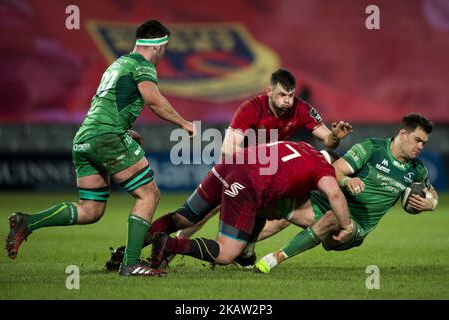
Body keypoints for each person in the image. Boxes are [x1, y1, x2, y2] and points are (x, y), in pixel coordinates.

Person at [104, 68, 353, 269]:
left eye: (290, 96)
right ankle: (169, 248)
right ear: (268, 92)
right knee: (203, 214)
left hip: (271, 175)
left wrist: (336, 136)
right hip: (241, 169)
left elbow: (327, 140)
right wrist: (242, 183)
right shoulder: (251, 109)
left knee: (278, 218)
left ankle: (240, 250)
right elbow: (228, 148)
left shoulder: (302, 109)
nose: (287, 101)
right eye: (281, 95)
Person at [5, 20, 195, 277]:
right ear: (159, 46)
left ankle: (27, 222)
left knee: (90, 209)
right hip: (106, 136)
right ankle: (130, 263)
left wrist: (124, 129)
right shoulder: (142, 66)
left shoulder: (117, 65)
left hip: (85, 137)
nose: (164, 53)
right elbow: (153, 99)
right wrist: (184, 123)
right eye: (165, 47)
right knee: (149, 194)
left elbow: (103, 104)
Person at [254, 113, 439, 273]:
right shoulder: (372, 149)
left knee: (333, 217)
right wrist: (347, 180)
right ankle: (240, 249)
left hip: (354, 226)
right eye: (418, 140)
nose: (421, 146)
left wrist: (431, 204)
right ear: (403, 134)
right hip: (326, 202)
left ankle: (274, 259)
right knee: (280, 205)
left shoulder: (417, 170)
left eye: (424, 142)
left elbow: (431, 193)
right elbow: (334, 171)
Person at [148, 141, 353, 268]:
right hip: (247, 183)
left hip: (228, 165)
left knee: (183, 217)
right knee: (225, 253)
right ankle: (170, 244)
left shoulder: (301, 146)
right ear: (333, 164)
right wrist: (347, 226)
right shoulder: (323, 168)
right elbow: (334, 194)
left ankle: (126, 253)